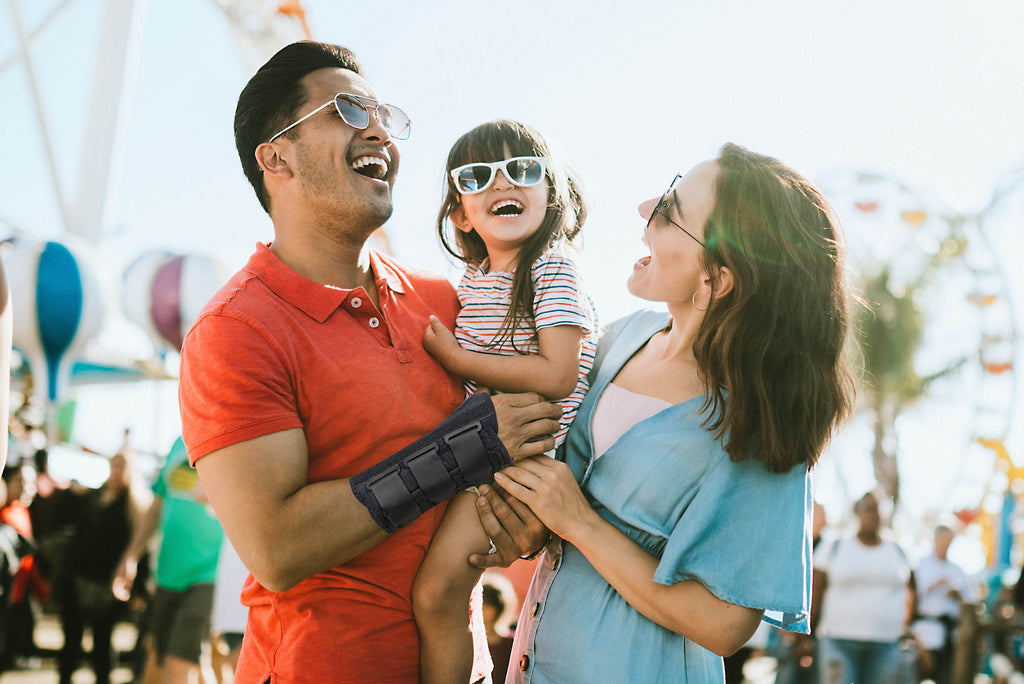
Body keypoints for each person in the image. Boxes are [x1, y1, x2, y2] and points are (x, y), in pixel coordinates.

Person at [176, 41, 559, 683]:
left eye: (385, 114)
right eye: (349, 110)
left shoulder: (442, 302)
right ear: (276, 157)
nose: (378, 129)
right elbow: (277, 546)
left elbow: (489, 490)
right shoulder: (234, 330)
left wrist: (513, 524)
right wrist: (464, 449)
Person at [479, 143, 857, 682]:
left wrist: (579, 522)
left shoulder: (759, 421)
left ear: (717, 279)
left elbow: (726, 623)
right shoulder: (616, 338)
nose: (643, 209)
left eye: (669, 210)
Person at [412, 119, 597, 683]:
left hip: (523, 465)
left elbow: (559, 374)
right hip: (488, 457)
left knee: (436, 592)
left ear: (552, 194)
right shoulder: (475, 278)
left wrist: (459, 361)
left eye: (522, 170)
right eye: (477, 176)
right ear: (461, 213)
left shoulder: (552, 267)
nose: (501, 184)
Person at [114, 437, 223, 684]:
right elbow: (156, 508)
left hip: (209, 574)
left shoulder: (229, 434)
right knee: (164, 659)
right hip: (168, 574)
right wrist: (130, 557)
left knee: (178, 665)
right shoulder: (177, 443)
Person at [56, 449, 147, 684]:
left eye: (121, 467)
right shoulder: (93, 497)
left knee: (102, 645)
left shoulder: (133, 506)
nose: (116, 472)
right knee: (71, 642)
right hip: (78, 580)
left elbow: (140, 549)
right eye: (113, 465)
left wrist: (137, 589)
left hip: (108, 586)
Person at [811, 492, 915, 684]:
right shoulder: (835, 545)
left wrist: (906, 626)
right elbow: (815, 590)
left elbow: (911, 591)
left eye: (877, 509)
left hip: (887, 643)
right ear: (857, 513)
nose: (873, 515)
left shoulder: (899, 549)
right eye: (867, 509)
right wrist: (804, 636)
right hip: (838, 641)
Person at [912, 524, 976, 684]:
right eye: (943, 540)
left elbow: (970, 599)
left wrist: (957, 594)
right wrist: (935, 584)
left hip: (950, 636)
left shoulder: (957, 570)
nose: (945, 545)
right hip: (924, 634)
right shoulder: (921, 565)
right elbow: (911, 596)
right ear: (935, 540)